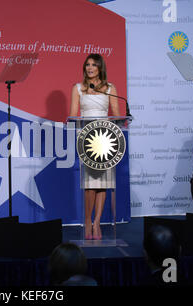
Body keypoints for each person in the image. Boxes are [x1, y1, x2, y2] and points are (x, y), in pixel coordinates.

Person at [69, 53, 120, 240]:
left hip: (106, 139)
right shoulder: (78, 88)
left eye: (94, 65)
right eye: (87, 65)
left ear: (100, 68)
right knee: (90, 185)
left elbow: (116, 115)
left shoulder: (110, 88)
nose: (90, 68)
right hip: (87, 140)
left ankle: (97, 222)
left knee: (103, 185)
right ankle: (88, 221)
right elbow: (73, 115)